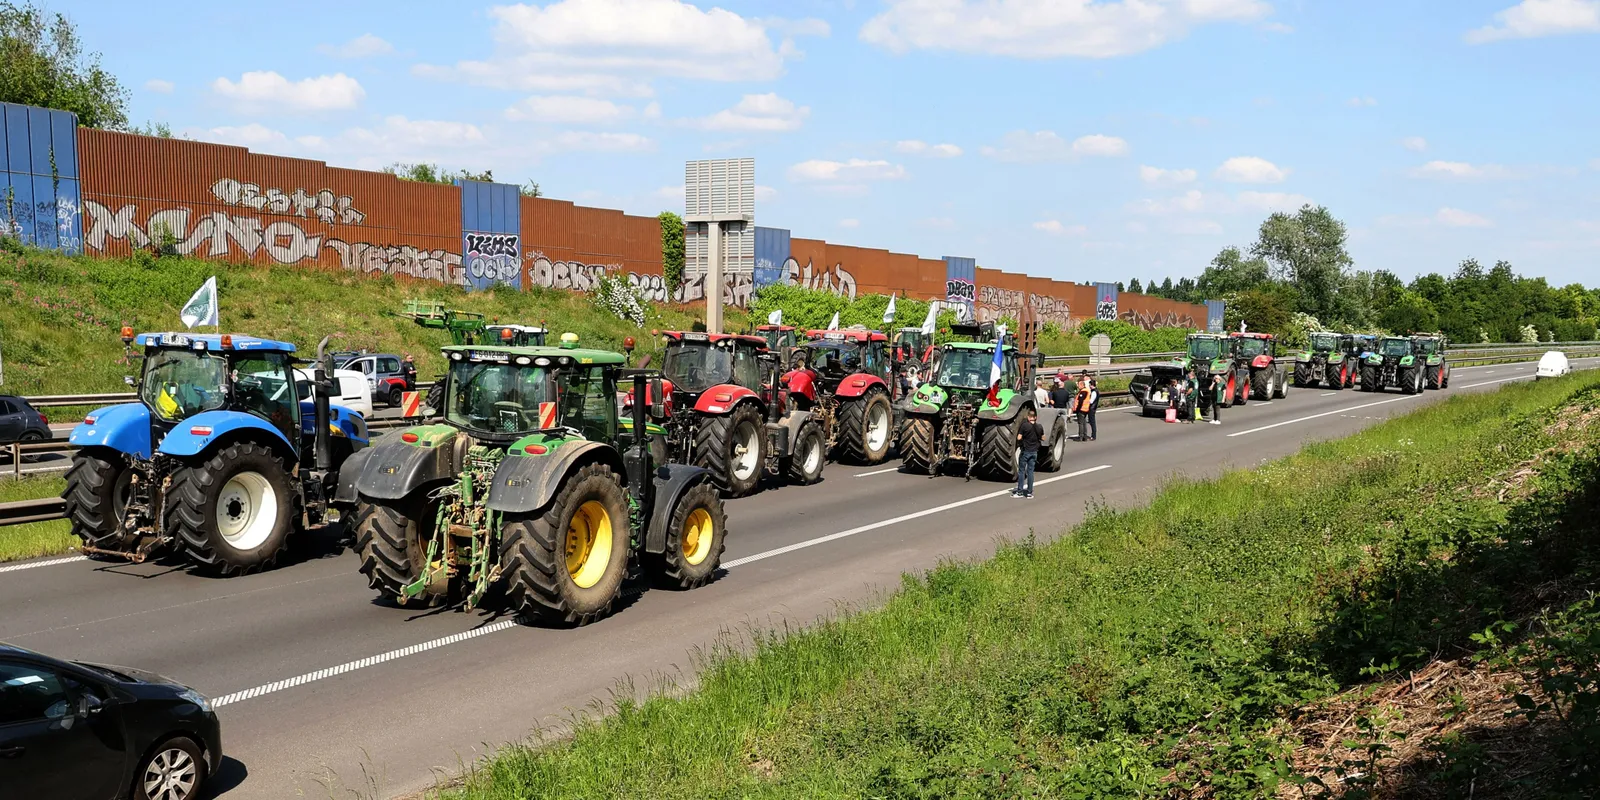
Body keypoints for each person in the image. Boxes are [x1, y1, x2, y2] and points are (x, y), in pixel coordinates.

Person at [1012, 407, 1043, 498]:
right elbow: (1043, 437)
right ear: (1035, 417)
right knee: (1030, 472)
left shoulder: (1025, 426)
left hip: (1025, 451)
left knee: (1021, 471)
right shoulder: (1039, 426)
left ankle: (1020, 491)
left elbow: (1019, 438)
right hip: (1034, 452)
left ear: (1028, 417)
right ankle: (1029, 493)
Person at [1073, 375, 1096, 441]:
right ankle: (1085, 436)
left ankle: (1081, 436)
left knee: (1081, 423)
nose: (1077, 386)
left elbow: (1080, 401)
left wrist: (1077, 409)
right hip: (1085, 409)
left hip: (1081, 409)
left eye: (1079, 385)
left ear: (1082, 385)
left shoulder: (1083, 392)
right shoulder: (1087, 391)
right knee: (1084, 423)